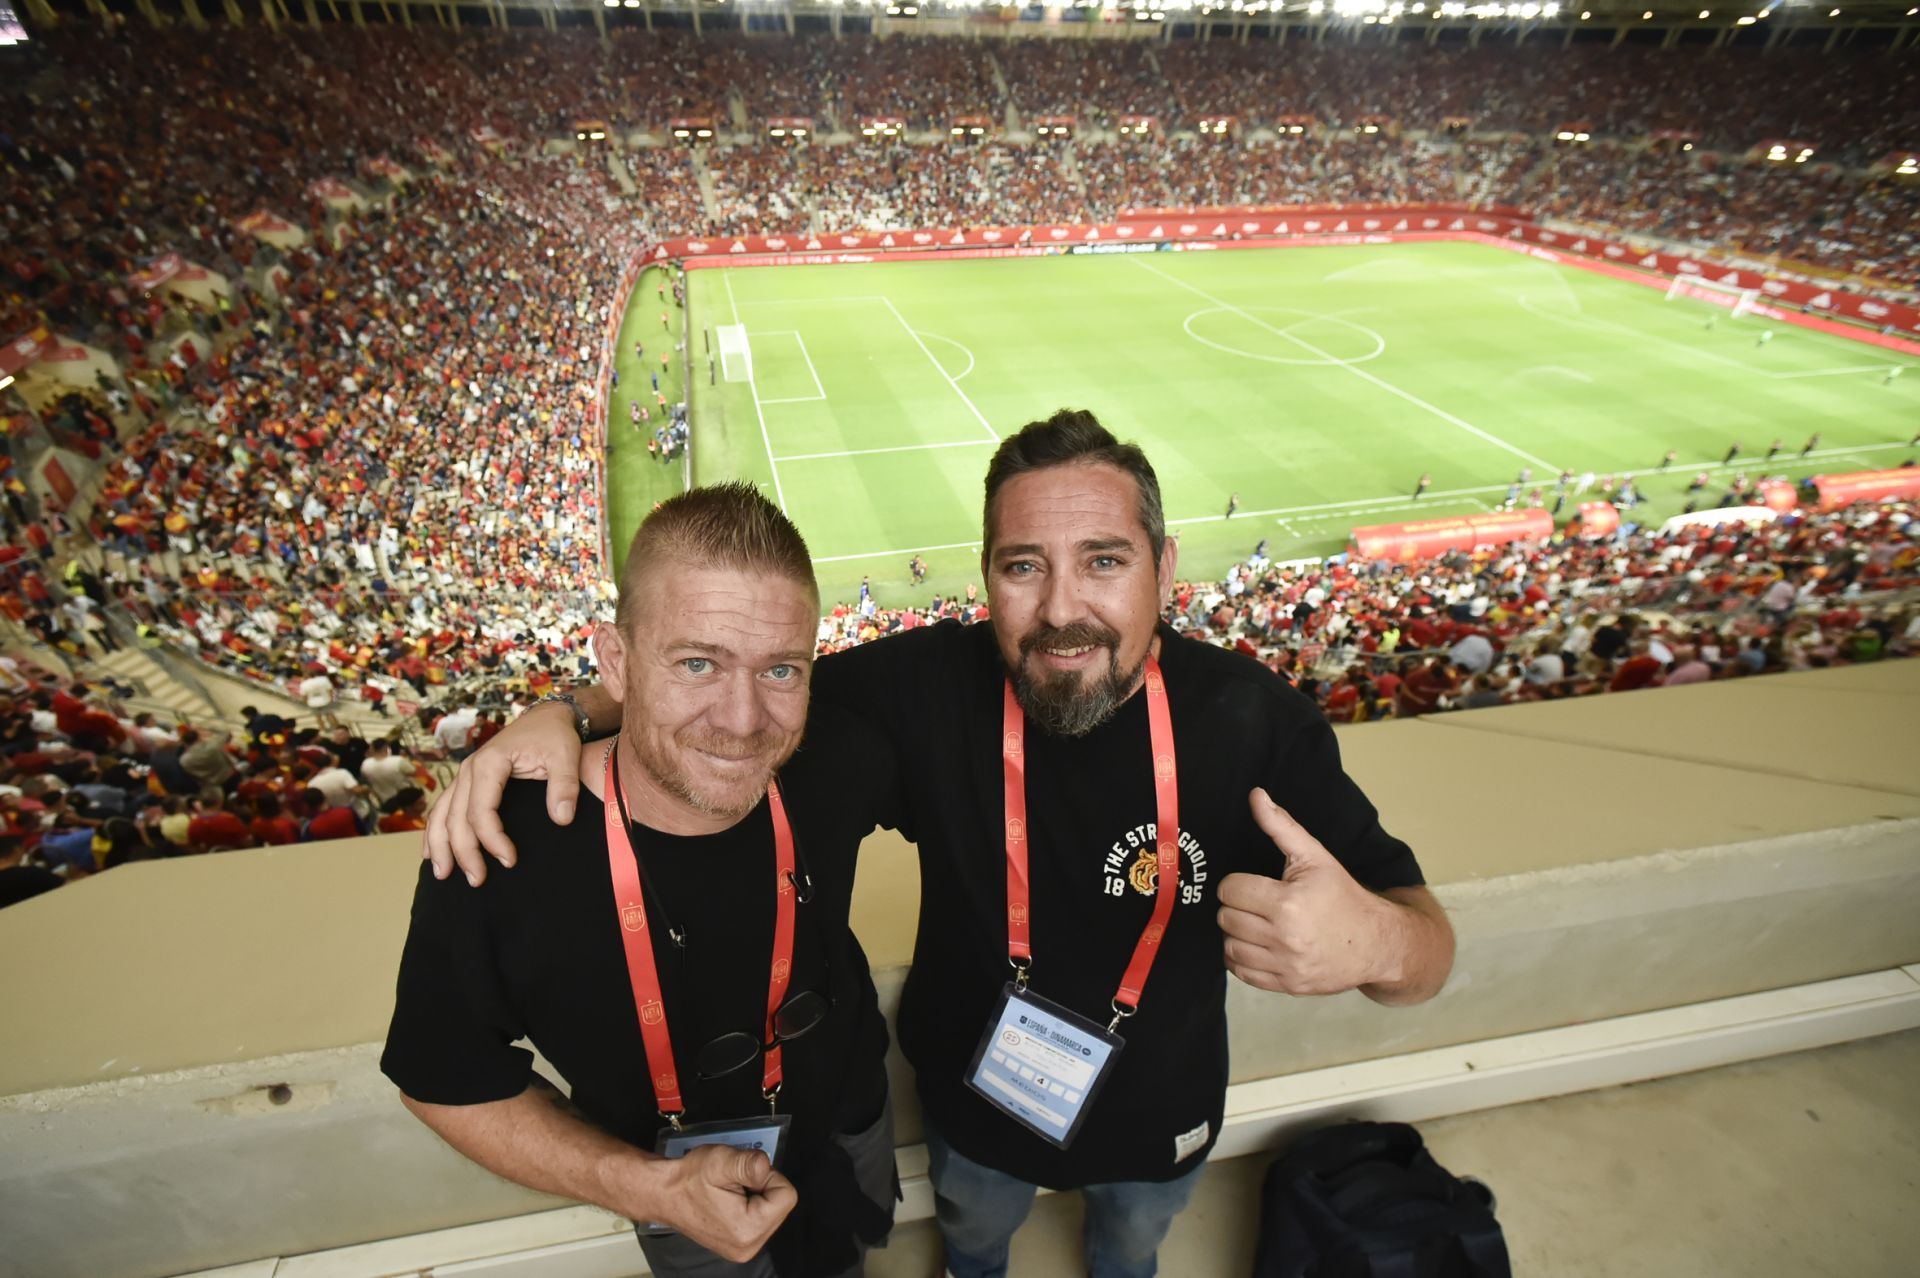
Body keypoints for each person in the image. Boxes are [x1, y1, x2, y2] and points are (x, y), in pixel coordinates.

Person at [427, 412, 1454, 1278]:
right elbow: (731, 686)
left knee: (1133, 1249)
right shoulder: (920, 693)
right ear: (986, 578)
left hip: (1163, 1114)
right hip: (976, 1102)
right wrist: (555, 712)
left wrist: (1378, 949)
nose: (1061, 609)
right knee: (973, 1240)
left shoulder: (1251, 720)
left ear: (1163, 568)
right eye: (1023, 566)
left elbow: (1425, 950)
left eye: (1104, 560)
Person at [384, 484, 897, 1277]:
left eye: (781, 670)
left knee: (853, 1258)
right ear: (616, 661)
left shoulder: (839, 749)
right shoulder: (496, 851)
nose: (742, 719)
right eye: (698, 663)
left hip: (850, 1119)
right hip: (668, 1184)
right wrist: (652, 1189)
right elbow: (442, 1077)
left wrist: (565, 708)